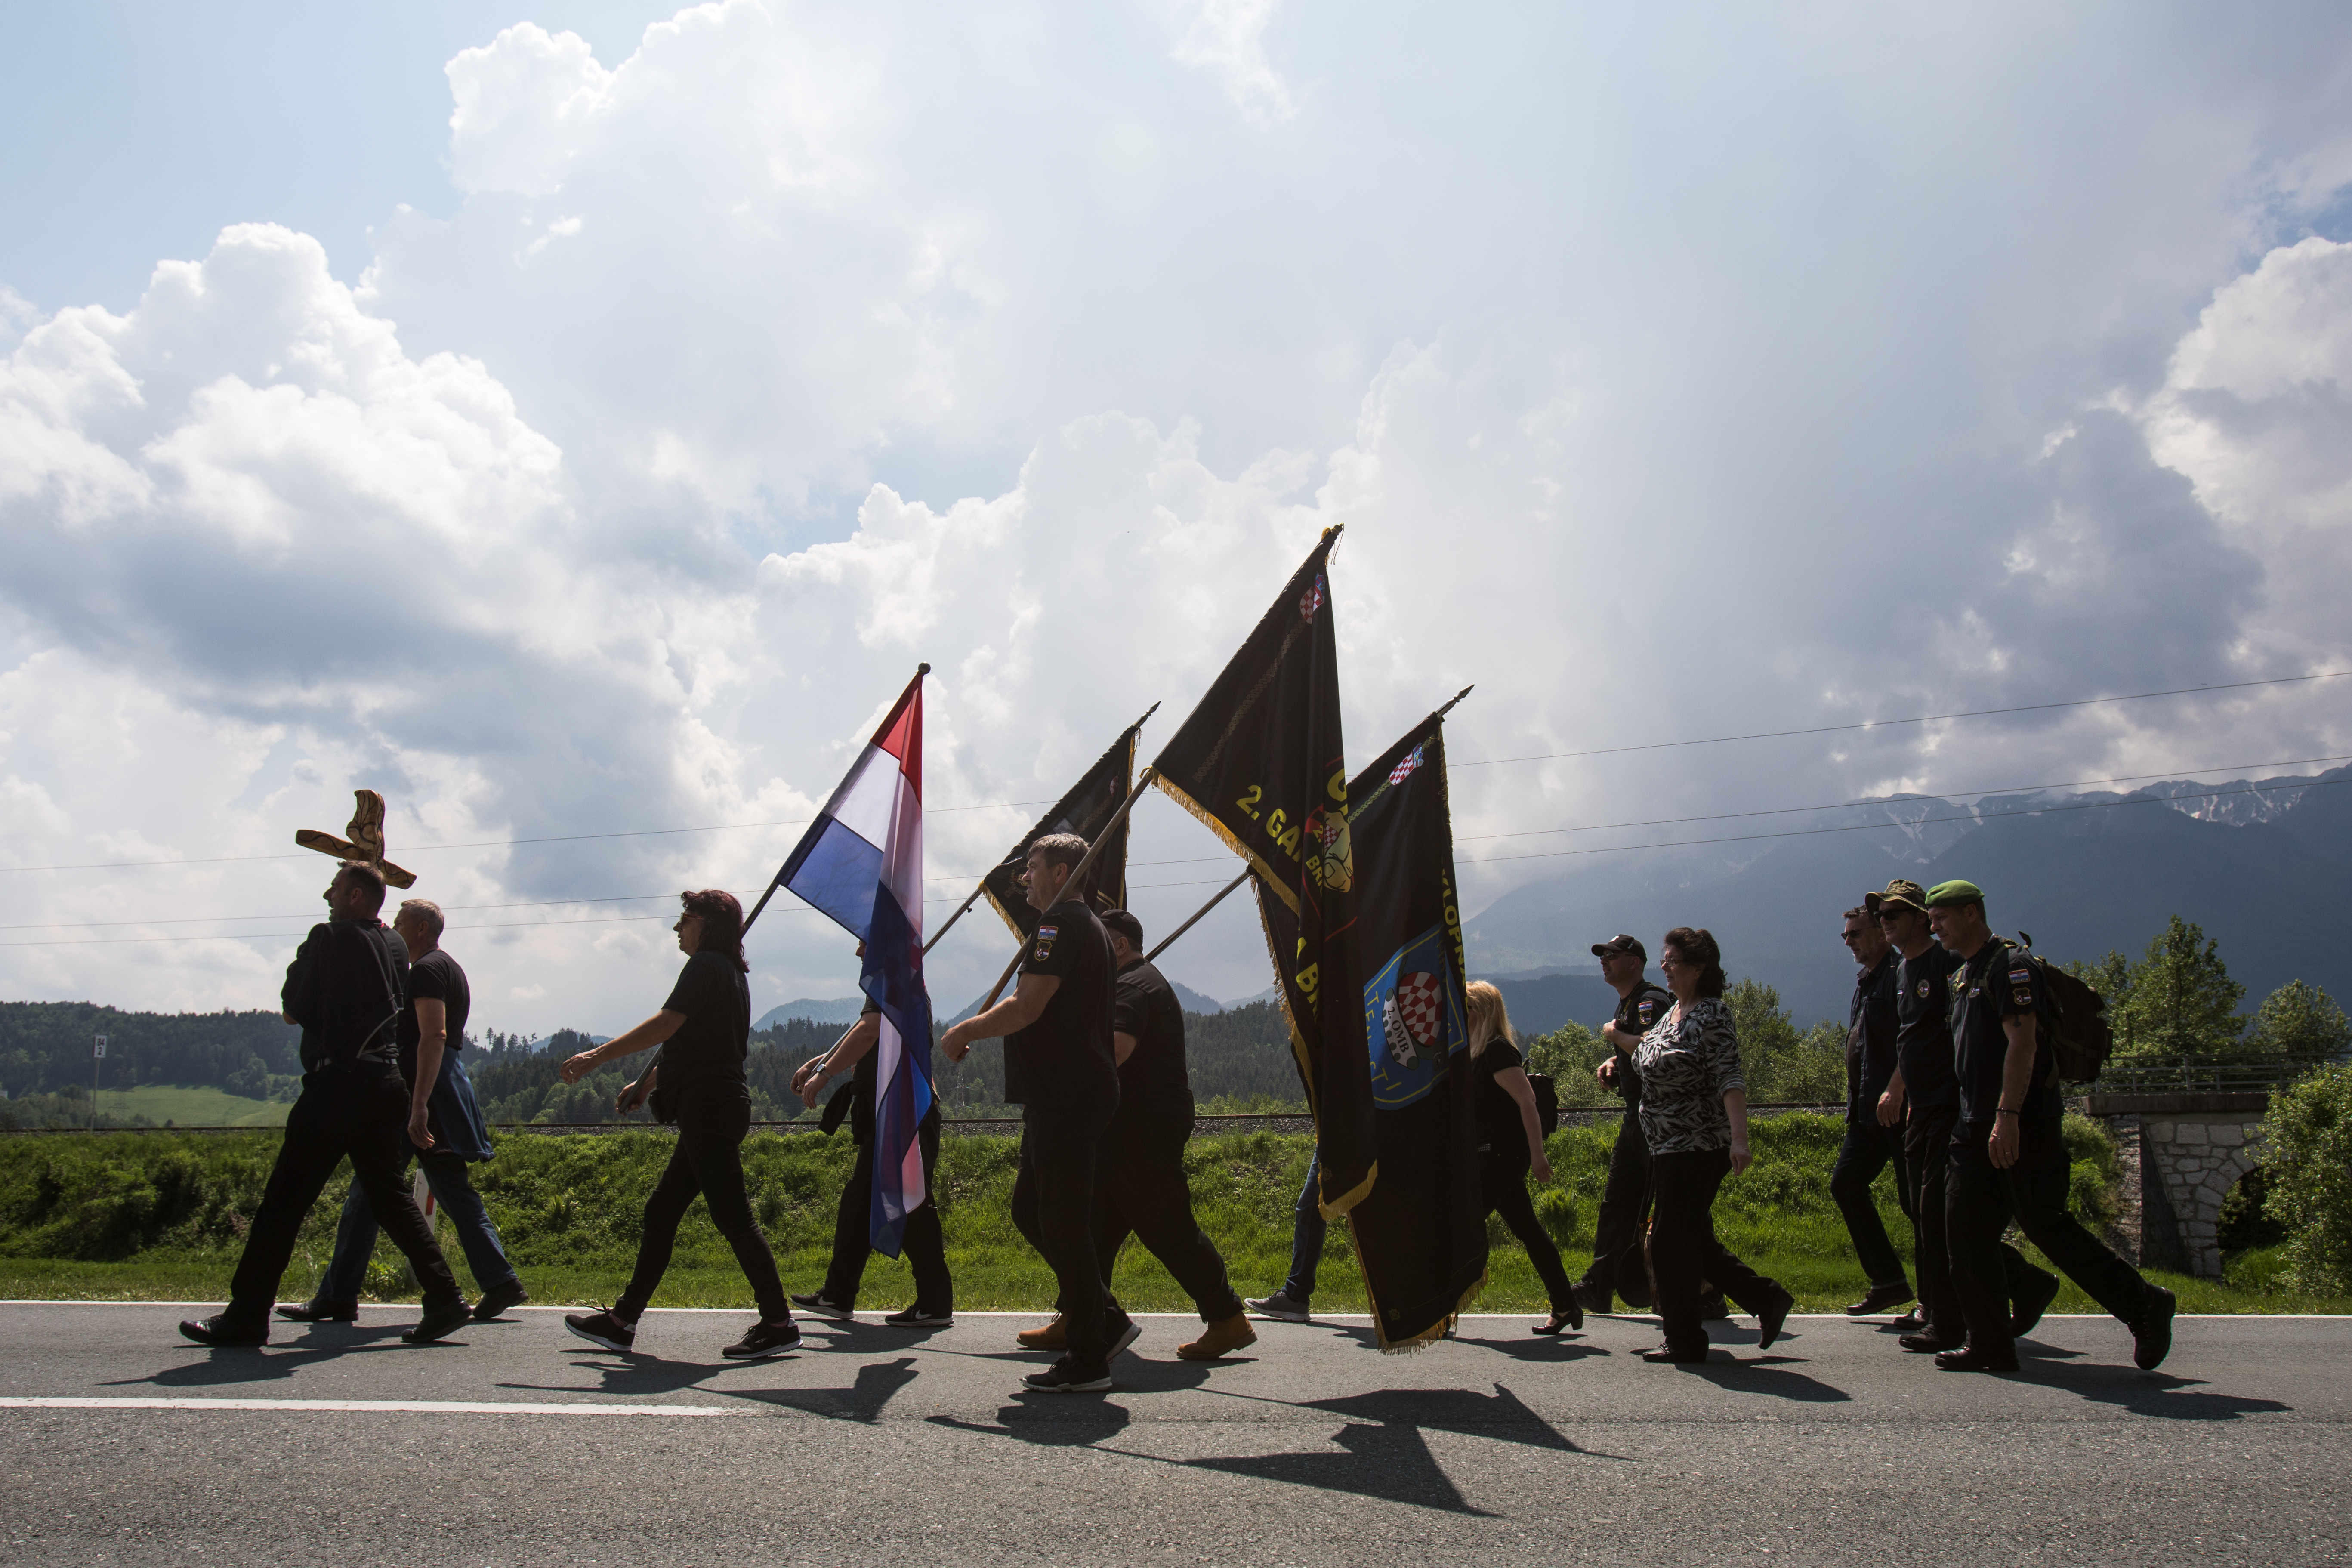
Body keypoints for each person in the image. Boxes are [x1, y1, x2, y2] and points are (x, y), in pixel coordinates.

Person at [179, 862, 471, 1347]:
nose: (327, 895)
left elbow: (294, 1009)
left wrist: (310, 953)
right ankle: (444, 1294)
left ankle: (248, 1313)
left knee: (284, 1200)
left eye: (335, 889)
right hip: (388, 1082)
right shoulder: (396, 945)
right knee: (391, 1198)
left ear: (356, 896)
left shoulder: (329, 938)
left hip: (338, 1084)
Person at [1925, 880, 2176, 1372]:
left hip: (2022, 1123)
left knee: (2048, 1227)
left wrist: (2008, 1116)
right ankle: (1990, 1343)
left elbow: (2025, 1045)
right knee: (1964, 1233)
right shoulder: (1965, 973)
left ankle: (2145, 1303)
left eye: (1942, 917)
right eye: (1932, 919)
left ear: (1973, 913)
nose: (1935, 927)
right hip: (1972, 1126)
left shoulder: (2011, 967)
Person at [559, 890, 800, 1361]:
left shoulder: (706, 966)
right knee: (663, 1211)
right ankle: (622, 1321)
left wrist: (596, 1055)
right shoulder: (730, 973)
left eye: (685, 918)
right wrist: (648, 1082)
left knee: (734, 1216)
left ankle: (778, 1321)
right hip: (714, 1103)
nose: (677, 927)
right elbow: (690, 1038)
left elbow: (668, 1023)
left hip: (708, 1105)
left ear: (708, 924)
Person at [940, 833, 1134, 1393]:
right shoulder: (1087, 929)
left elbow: (1027, 1006)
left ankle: (1088, 1356)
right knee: (1031, 1209)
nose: (1024, 877)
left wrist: (966, 1030)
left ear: (1062, 870)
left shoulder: (1057, 927)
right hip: (1066, 1093)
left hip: (1067, 1094)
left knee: (1063, 1222)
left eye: (1032, 866)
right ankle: (1103, 1316)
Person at [280, 899, 527, 1324]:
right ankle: (500, 1280)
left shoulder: (428, 970)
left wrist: (417, 1107)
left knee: (367, 1194)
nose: (393, 928)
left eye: (399, 922)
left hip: (423, 1098)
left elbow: (434, 1035)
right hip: (442, 1095)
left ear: (421, 927)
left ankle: (339, 1294)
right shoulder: (448, 967)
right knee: (452, 1194)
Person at [1867, 879, 2057, 1355]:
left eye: (1895, 913)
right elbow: (1912, 1037)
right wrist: (1898, 1086)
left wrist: (1996, 1108)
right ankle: (2012, 1289)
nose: (1885, 921)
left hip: (1952, 1107)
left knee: (1942, 1218)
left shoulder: (1949, 962)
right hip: (1921, 1107)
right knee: (1926, 1212)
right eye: (1881, 915)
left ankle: (1946, 1317)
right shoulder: (1900, 969)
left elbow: (1977, 1035)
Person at [1069, 910, 1255, 1359]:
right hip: (1127, 1128)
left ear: (1118, 945)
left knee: (1169, 1227)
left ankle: (1227, 1316)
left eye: (1098, 943)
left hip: (1141, 1129)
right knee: (1092, 1228)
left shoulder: (1133, 986)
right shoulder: (1136, 981)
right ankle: (1084, 1318)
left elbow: (1115, 1048)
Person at [1633, 927, 1795, 1364]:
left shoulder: (1712, 1014)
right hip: (1665, 1145)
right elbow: (1652, 1056)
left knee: (1669, 1238)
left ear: (1699, 967)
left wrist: (1740, 1140)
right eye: (1664, 959)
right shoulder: (1672, 1015)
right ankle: (1766, 1297)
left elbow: (1730, 1077)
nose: (1664, 966)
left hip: (1699, 1143)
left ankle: (1684, 1338)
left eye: (1672, 959)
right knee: (1690, 1239)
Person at [788, 957, 954, 1329]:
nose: (859, 947)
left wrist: (824, 1073)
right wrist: (822, 1060)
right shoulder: (898, 978)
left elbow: (870, 1030)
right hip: (892, 1111)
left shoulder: (893, 976)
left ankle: (934, 1300)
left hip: (901, 1112)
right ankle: (839, 1293)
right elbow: (870, 1031)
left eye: (865, 937)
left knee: (910, 1205)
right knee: (861, 1203)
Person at [1466, 982, 1583, 1335]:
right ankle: (1565, 1304)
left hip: (1503, 1156)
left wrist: (1537, 1156)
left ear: (1480, 1011)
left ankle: (1440, 1305)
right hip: (1493, 1155)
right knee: (1528, 1230)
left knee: (1463, 1226)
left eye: (1465, 1006)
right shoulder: (1476, 1051)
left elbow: (1528, 1102)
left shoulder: (1498, 1051)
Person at [1573, 933, 1678, 1315]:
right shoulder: (1631, 1002)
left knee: (1673, 1202)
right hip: (1635, 1115)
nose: (1605, 961)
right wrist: (1615, 1061)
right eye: (1603, 955)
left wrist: (1616, 1036)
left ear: (1634, 961)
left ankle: (1706, 1289)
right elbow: (1638, 1049)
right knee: (1617, 1203)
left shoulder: (1653, 1001)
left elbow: (1656, 1046)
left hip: (1656, 1116)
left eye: (1612, 956)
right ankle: (1599, 1286)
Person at [1832, 902, 1914, 1317]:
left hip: (1898, 1110)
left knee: (1919, 1206)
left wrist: (1896, 1090)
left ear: (1882, 933)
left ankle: (2021, 1282)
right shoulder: (1868, 980)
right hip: (1867, 1112)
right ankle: (1889, 1282)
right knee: (1846, 1185)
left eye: (1856, 933)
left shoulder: (1901, 976)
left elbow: (1913, 1042)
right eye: (1846, 935)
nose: (1848, 941)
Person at [1244, 1149, 1327, 1322]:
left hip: (1340, 1134)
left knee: (1311, 1210)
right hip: (1332, 1135)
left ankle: (1296, 1295)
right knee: (1311, 1210)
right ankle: (1296, 1294)